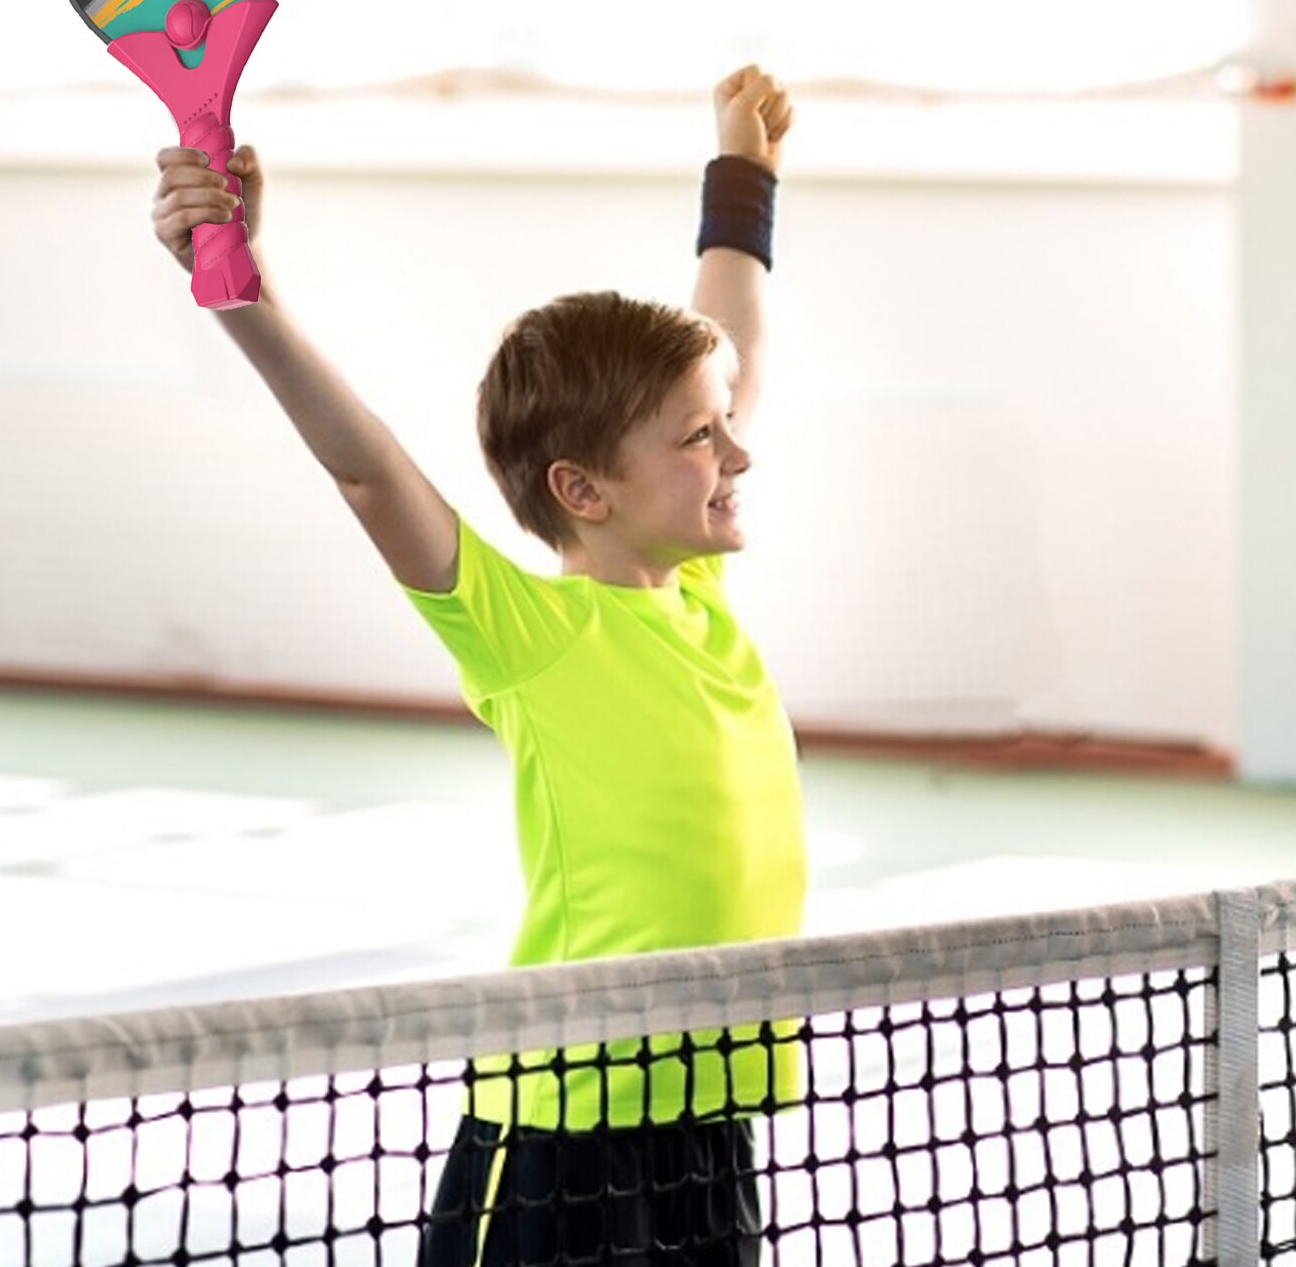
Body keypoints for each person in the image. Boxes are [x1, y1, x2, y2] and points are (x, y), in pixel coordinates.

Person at [150, 66, 806, 1266]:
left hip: (709, 1105)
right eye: (701, 435)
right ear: (582, 489)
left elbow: (731, 340)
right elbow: (366, 469)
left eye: (724, 424)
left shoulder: (698, 596)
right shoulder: (527, 633)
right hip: (559, 1132)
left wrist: (741, 173)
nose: (738, 448)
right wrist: (236, 285)